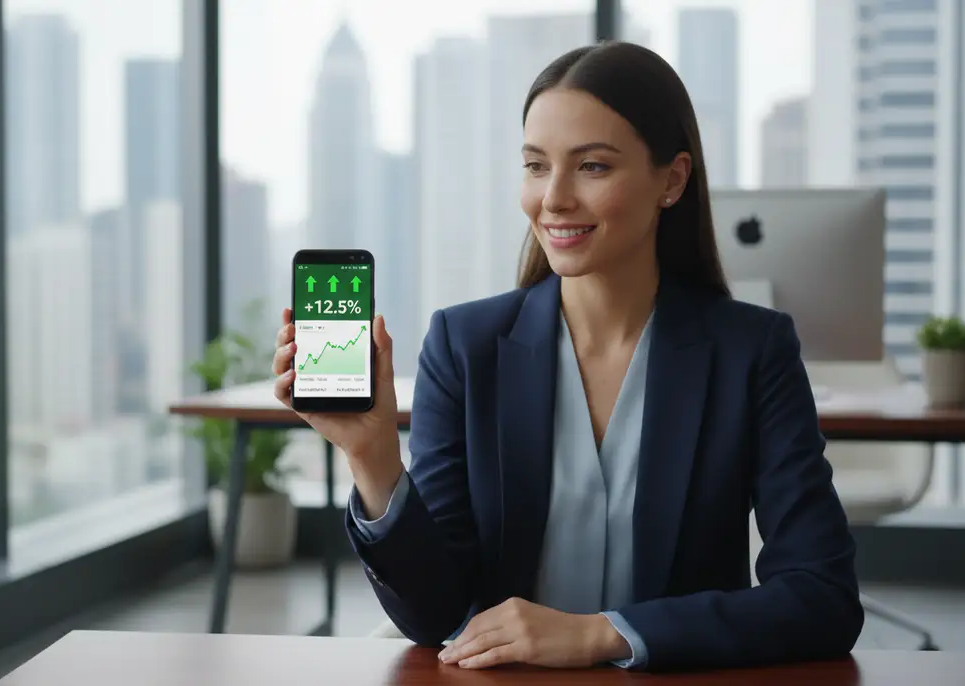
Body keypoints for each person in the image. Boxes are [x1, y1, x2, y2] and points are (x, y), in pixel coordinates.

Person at [270, 41, 863, 672]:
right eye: (535, 166)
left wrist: (606, 633)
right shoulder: (465, 346)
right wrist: (373, 457)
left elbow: (822, 598)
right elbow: (436, 615)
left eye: (593, 167)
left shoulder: (752, 352)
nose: (552, 199)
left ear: (673, 179)